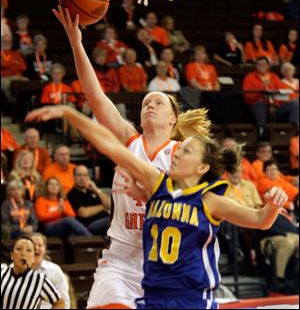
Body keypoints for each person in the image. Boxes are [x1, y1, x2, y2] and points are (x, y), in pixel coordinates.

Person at [26, 104, 288, 310]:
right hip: (151, 296)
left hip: (190, 299)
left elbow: (261, 219)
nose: (176, 154)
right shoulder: (156, 183)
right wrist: (70, 113)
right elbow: (110, 145)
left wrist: (274, 200)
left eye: (186, 151)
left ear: (202, 167)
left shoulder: (210, 200)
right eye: (178, 149)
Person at [41, 5, 211, 309]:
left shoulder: (181, 155)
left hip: (165, 263)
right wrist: (76, 42)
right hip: (120, 260)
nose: (149, 105)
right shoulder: (129, 141)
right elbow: (95, 97)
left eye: (158, 102)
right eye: (146, 102)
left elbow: (195, 206)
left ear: (173, 119)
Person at [1, 236, 64, 309]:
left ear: (33, 258)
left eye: (28, 250)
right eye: (19, 249)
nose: (23, 253)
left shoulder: (40, 280)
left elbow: (59, 303)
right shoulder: (2, 270)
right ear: (11, 255)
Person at [242, 57, 299, 139]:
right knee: (259, 104)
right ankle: (262, 130)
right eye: (259, 64)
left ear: (268, 66)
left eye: (264, 64)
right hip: (258, 107)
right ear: (256, 66)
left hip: (275, 107)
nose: (261, 66)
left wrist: (275, 101)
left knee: (294, 103)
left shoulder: (274, 77)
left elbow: (284, 93)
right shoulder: (250, 77)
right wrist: (261, 87)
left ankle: (295, 128)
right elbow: (248, 95)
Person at [30, 232, 70, 309]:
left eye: (40, 245)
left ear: (45, 248)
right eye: (33, 244)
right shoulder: (20, 269)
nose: (36, 248)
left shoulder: (55, 270)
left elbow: (65, 299)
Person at [68, 165, 111, 235]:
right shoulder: (72, 194)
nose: (82, 178)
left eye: (85, 175)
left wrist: (96, 190)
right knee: (114, 220)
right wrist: (103, 206)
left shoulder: (92, 190)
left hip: (105, 219)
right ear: (74, 177)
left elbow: (109, 204)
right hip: (90, 225)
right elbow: (83, 213)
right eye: (79, 175)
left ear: (88, 177)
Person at [1, 33, 28, 101]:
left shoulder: (16, 53)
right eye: (5, 41)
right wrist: (14, 64)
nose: (7, 43)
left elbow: (23, 67)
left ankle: (26, 103)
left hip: (17, 76)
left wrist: (7, 65)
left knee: (28, 82)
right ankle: (13, 102)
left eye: (9, 41)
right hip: (4, 78)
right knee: (7, 85)